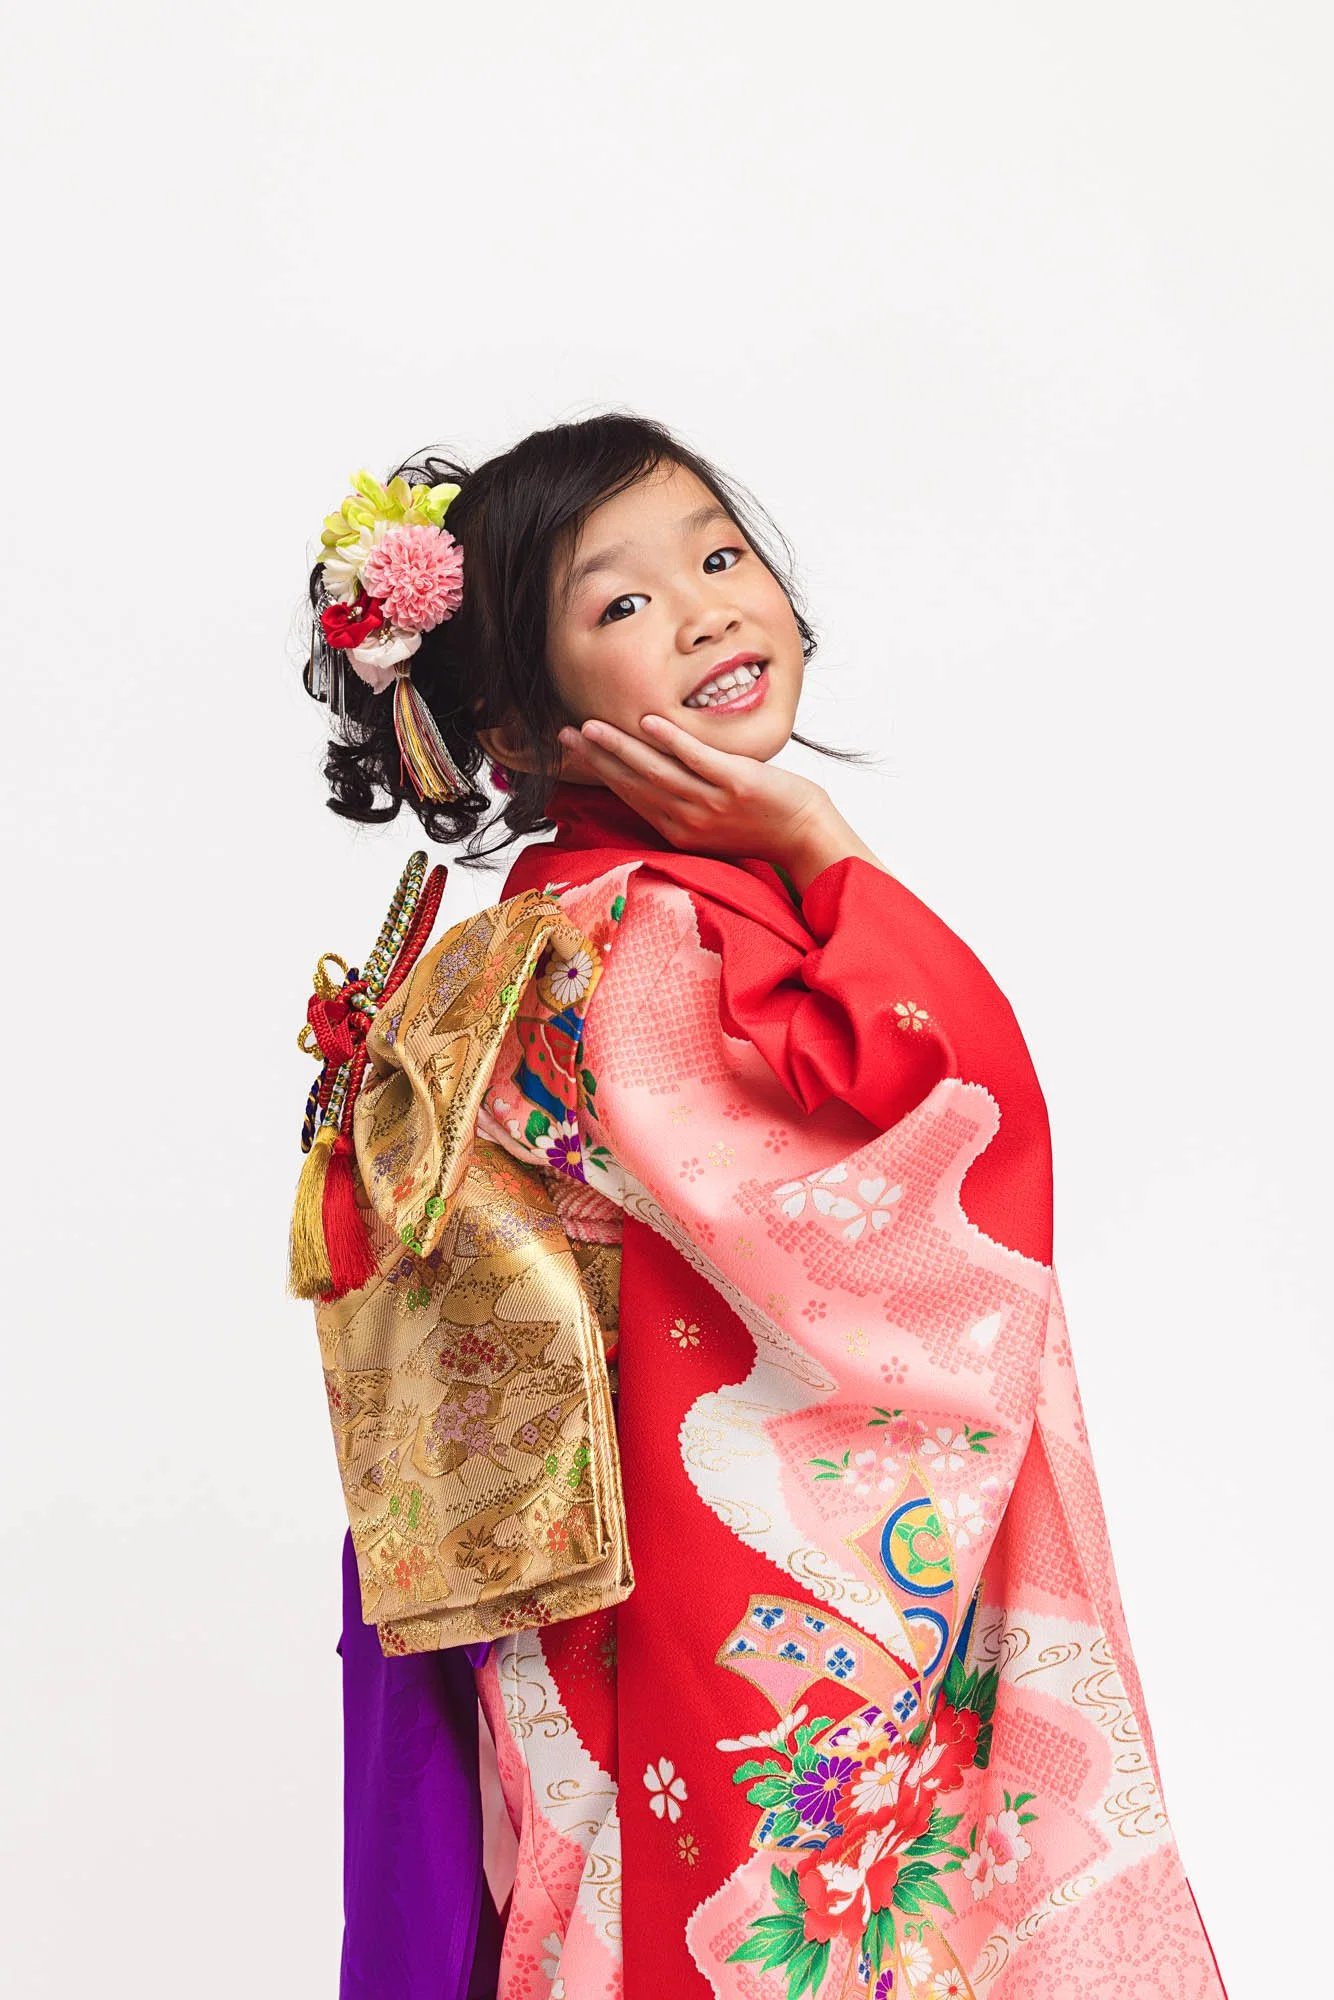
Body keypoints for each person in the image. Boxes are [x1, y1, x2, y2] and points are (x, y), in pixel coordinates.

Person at [294, 414, 1226, 1999]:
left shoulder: (534, 933)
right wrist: (821, 845)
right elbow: (922, 1156)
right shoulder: (642, 937)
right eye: (622, 603)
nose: (711, 608)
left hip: (584, 1591)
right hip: (689, 1614)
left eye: (720, 557)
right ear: (520, 715)